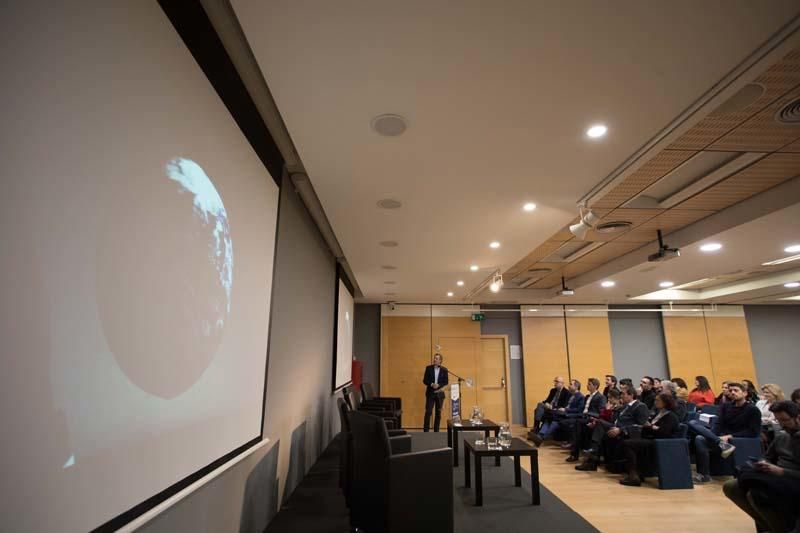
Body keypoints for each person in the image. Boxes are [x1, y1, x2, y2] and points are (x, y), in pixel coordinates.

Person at [723, 401, 800, 533]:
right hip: (776, 477)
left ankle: (781, 528)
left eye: (785, 420)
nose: (781, 424)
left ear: (798, 417)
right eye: (778, 420)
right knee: (731, 486)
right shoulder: (782, 437)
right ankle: (767, 526)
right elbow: (768, 457)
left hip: (793, 479)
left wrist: (781, 471)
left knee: (758, 494)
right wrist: (763, 463)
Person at [689, 382, 761, 483]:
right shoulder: (726, 407)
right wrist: (713, 436)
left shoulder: (752, 409)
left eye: (736, 390)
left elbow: (753, 431)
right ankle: (704, 475)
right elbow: (719, 425)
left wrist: (731, 436)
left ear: (745, 393)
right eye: (731, 391)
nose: (732, 393)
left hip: (737, 440)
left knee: (698, 433)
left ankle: (720, 443)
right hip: (722, 440)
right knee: (696, 431)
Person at [575, 386, 649, 471]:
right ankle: (592, 456)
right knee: (597, 423)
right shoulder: (625, 406)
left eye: (623, 394)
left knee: (599, 425)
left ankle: (592, 459)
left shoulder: (640, 406)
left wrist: (621, 430)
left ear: (631, 395)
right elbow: (614, 420)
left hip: (626, 432)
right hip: (615, 426)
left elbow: (640, 425)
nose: (621, 396)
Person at [619, 393, 682, 486]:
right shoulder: (658, 413)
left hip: (662, 442)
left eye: (658, 400)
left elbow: (664, 432)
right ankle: (637, 472)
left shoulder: (671, 416)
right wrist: (649, 427)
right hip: (652, 438)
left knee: (628, 444)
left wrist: (651, 427)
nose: (655, 402)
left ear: (665, 403)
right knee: (629, 440)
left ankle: (633, 474)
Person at [567, 388, 620, 462]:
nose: (608, 399)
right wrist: (595, 420)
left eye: (610, 397)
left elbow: (611, 420)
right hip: (600, 423)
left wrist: (607, 410)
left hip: (607, 426)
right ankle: (574, 452)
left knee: (590, 425)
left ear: (615, 398)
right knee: (579, 424)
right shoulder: (609, 405)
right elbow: (601, 415)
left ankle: (592, 451)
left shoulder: (619, 407)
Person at [531, 379, 585, 446]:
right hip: (562, 412)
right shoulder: (571, 395)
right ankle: (540, 435)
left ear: (576, 387)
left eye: (571, 384)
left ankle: (541, 437)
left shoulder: (581, 397)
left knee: (553, 419)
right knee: (550, 418)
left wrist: (565, 410)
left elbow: (579, 410)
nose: (568, 386)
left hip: (569, 415)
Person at [560, 378, 606, 450]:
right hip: (583, 416)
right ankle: (574, 446)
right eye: (588, 384)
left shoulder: (601, 397)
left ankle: (574, 448)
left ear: (595, 386)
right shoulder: (587, 396)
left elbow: (600, 412)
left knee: (577, 423)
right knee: (571, 422)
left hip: (590, 417)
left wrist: (588, 414)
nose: (587, 385)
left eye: (589, 384)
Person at [422, 353, 448, 432]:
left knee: (438, 413)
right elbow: (425, 380)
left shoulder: (444, 370)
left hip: (440, 394)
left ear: (440, 360)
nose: (435, 360)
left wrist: (439, 385)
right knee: (428, 411)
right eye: (434, 358)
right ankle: (426, 431)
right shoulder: (428, 368)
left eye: (436, 358)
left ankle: (436, 431)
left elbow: (446, 382)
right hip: (430, 393)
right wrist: (432, 384)